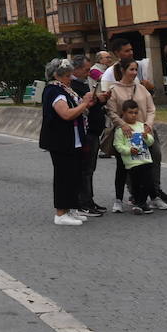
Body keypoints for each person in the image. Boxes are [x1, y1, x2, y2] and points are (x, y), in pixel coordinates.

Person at [103, 59, 167, 213]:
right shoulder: (114, 89)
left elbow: (151, 109)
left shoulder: (141, 89)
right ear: (123, 70)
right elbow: (110, 111)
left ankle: (154, 196)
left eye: (135, 70)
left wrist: (148, 125)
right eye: (131, 69)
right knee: (123, 167)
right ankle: (120, 199)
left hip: (144, 133)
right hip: (124, 134)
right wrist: (122, 124)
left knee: (150, 162)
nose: (133, 73)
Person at [39, 58, 94, 226]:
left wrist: (87, 102)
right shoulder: (54, 91)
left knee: (74, 175)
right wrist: (84, 103)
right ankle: (60, 212)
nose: (71, 78)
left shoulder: (65, 89)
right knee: (63, 176)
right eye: (68, 75)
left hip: (74, 140)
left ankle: (71, 208)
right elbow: (66, 114)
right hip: (61, 140)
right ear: (58, 75)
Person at [69, 56, 109, 216]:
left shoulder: (84, 83)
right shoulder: (73, 85)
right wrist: (95, 99)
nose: (88, 73)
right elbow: (83, 104)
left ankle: (89, 200)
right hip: (86, 131)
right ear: (76, 69)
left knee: (89, 169)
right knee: (85, 169)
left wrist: (101, 99)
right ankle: (83, 202)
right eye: (86, 70)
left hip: (94, 130)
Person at [111, 100, 157, 215]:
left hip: (145, 160)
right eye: (130, 112)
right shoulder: (121, 130)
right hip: (132, 162)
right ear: (124, 113)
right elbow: (118, 145)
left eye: (136, 113)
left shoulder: (141, 126)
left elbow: (151, 142)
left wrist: (146, 137)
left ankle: (142, 203)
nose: (133, 115)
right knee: (136, 184)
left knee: (147, 181)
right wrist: (128, 150)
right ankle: (139, 202)